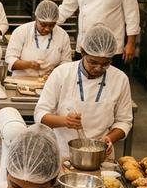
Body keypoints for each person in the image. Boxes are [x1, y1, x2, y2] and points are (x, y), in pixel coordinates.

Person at [34, 24, 133, 157]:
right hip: (63, 152)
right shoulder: (62, 73)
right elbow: (40, 114)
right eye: (93, 62)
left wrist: (109, 138)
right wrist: (65, 121)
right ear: (83, 52)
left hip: (100, 154)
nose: (98, 68)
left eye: (105, 64)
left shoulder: (120, 79)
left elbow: (124, 121)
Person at [5, 0, 73, 78]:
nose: (47, 29)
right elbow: (10, 60)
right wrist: (29, 64)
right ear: (36, 18)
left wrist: (55, 72)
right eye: (43, 25)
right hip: (21, 79)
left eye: (51, 25)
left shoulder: (62, 35)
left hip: (49, 82)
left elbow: (66, 62)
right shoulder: (21, 32)